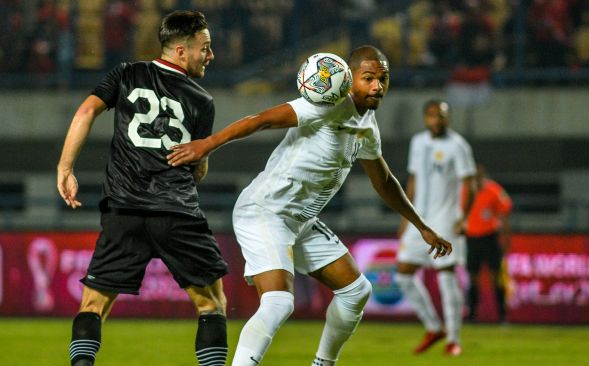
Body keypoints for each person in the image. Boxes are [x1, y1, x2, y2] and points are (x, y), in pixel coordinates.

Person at [167, 45, 453, 366]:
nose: (377, 86)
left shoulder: (367, 125)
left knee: (356, 291)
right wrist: (206, 145)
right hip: (265, 210)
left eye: (382, 79)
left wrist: (422, 227)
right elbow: (261, 120)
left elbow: (384, 181)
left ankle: (322, 364)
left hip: (301, 221)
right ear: (348, 79)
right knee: (278, 303)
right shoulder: (326, 104)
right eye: (368, 78)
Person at [57, 10, 229, 366]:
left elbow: (85, 113)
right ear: (181, 51)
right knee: (211, 303)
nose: (210, 56)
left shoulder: (126, 73)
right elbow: (197, 168)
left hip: (124, 211)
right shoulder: (202, 101)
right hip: (176, 212)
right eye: (205, 48)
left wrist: (65, 167)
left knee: (92, 304)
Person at [395, 100, 476, 356]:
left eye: (440, 116)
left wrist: (463, 217)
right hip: (420, 221)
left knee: (446, 277)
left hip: (446, 220)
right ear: (424, 118)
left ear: (447, 118)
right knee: (403, 274)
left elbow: (469, 185)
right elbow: (413, 181)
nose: (436, 120)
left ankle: (453, 339)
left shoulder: (459, 146)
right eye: (431, 116)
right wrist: (405, 219)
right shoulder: (417, 142)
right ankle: (433, 327)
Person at [464, 163, 512, 323]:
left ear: (483, 173)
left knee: (496, 277)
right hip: (471, 238)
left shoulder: (493, 190)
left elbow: (504, 215)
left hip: (489, 238)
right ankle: (472, 314)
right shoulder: (464, 191)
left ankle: (502, 315)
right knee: (473, 278)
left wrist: (505, 239)